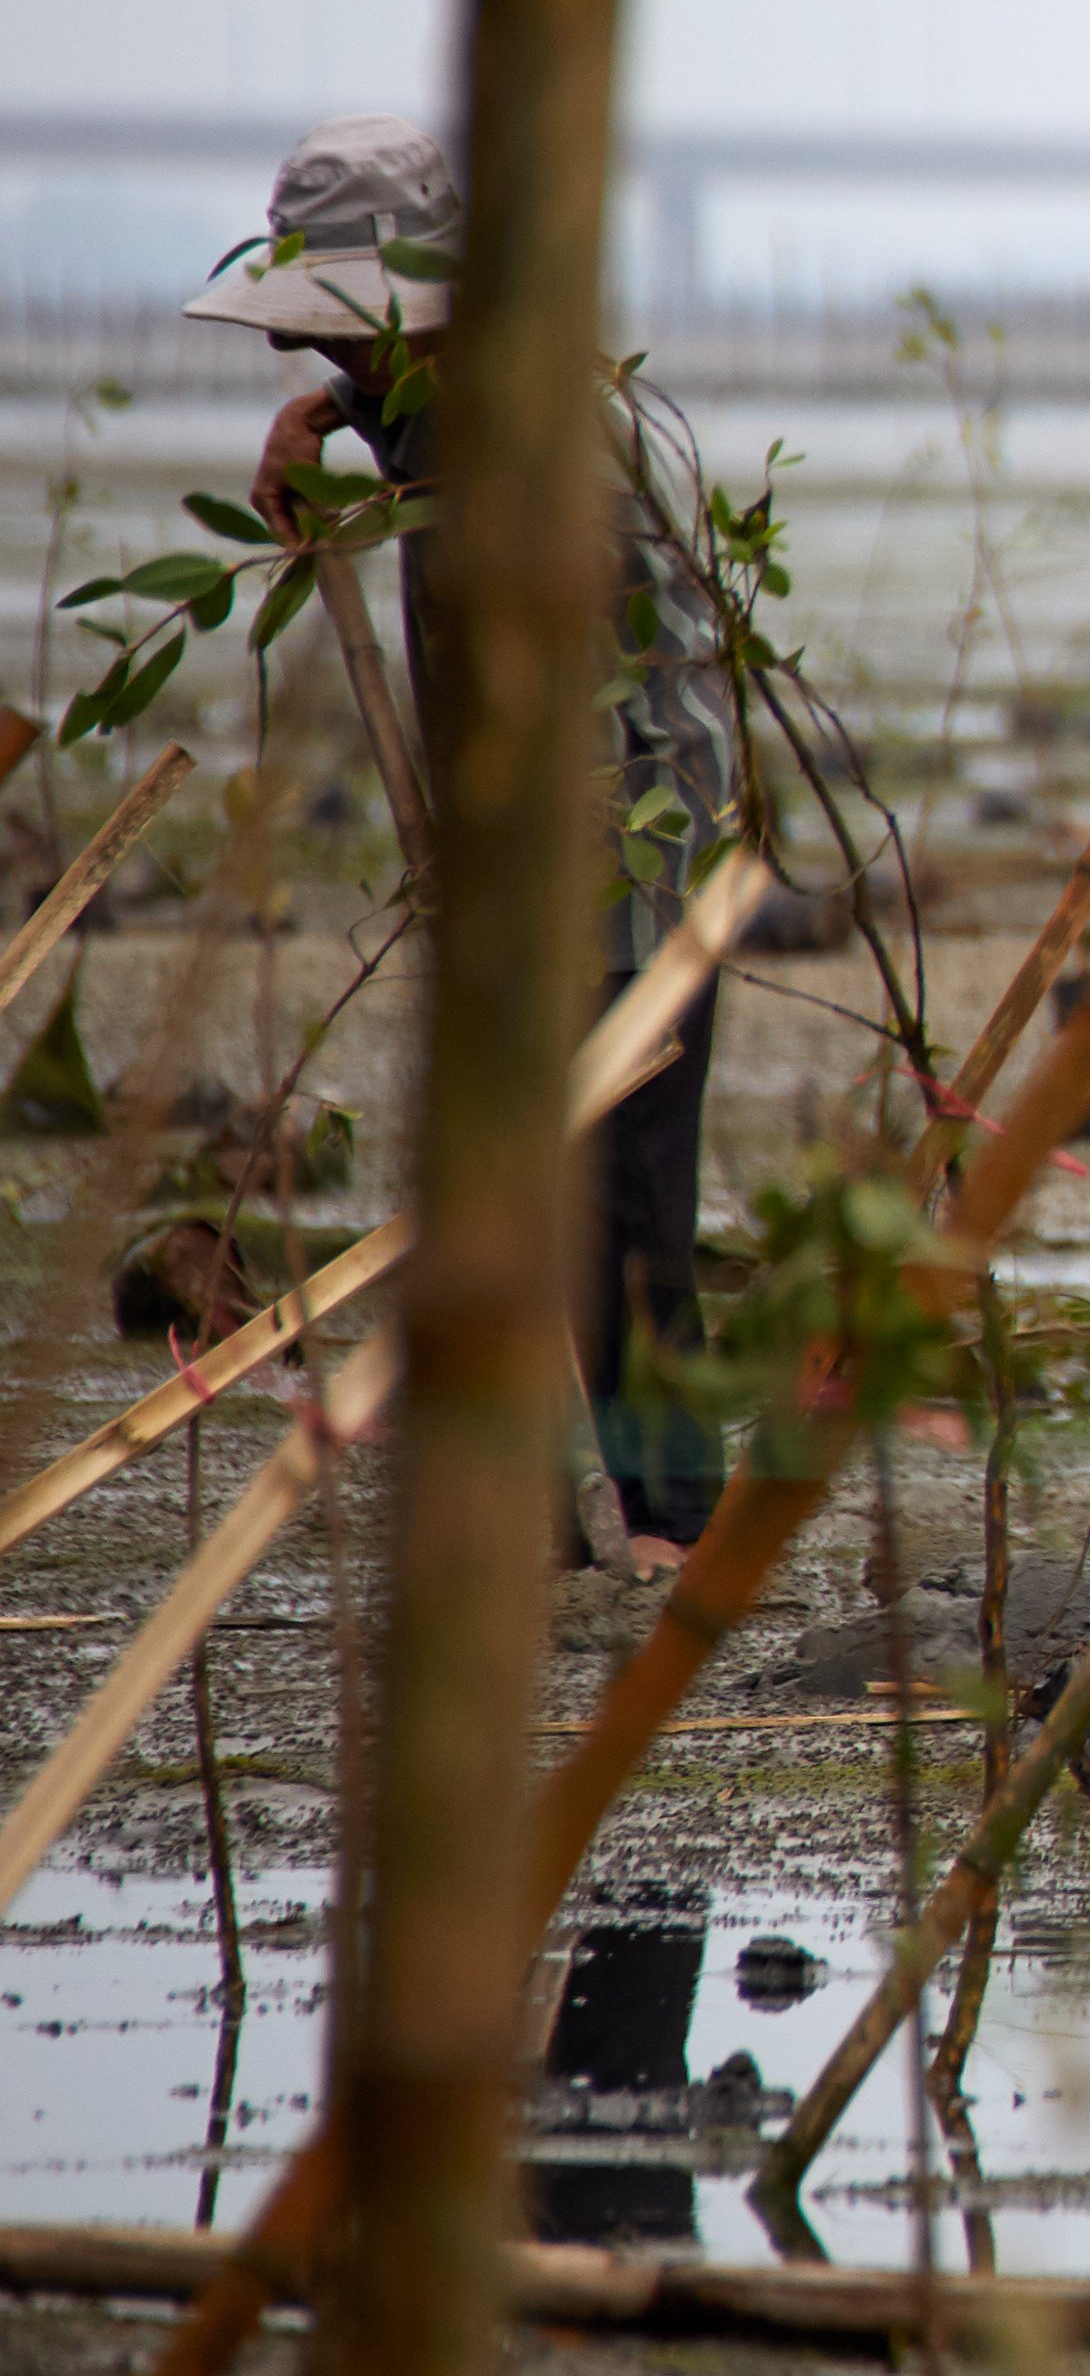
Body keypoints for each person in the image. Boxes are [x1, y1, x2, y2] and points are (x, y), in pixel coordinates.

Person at [191, 113, 735, 1571]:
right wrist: (332, 425)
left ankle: (673, 1524)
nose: (334, 360)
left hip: (634, 839)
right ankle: (580, 1512)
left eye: (352, 340)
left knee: (622, 1200)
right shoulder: (426, 397)